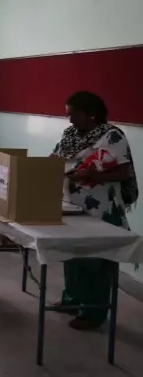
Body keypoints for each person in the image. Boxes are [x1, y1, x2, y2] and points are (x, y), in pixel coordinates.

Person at [52, 91, 138, 330]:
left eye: (74, 114)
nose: (70, 119)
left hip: (102, 210)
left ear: (91, 114)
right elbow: (55, 158)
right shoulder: (70, 135)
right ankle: (72, 299)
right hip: (72, 205)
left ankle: (93, 312)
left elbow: (123, 173)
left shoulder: (112, 136)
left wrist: (92, 175)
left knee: (96, 261)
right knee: (73, 256)